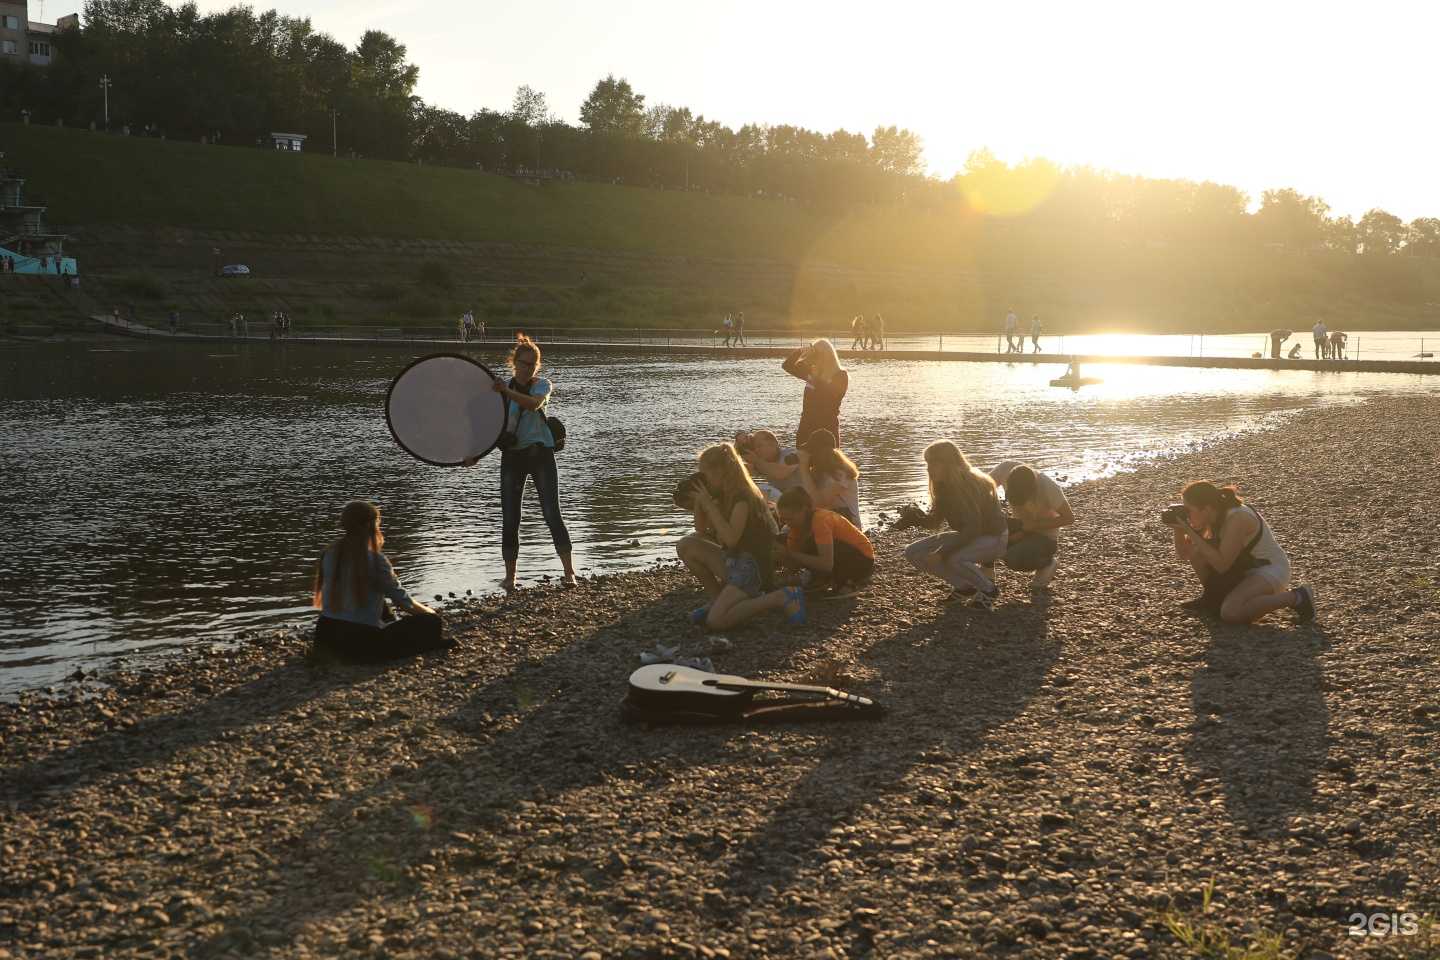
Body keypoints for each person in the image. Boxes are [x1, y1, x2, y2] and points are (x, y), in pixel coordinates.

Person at [470, 333, 576, 592]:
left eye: (533, 364)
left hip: (541, 454)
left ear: (537, 366)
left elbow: (533, 404)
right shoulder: (501, 391)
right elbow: (491, 429)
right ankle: (510, 577)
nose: (528, 368)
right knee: (510, 518)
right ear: (514, 362)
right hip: (513, 457)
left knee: (552, 514)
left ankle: (569, 572)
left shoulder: (542, 385)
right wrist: (474, 453)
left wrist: (505, 391)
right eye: (524, 363)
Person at [675, 443, 803, 629]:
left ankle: (780, 597)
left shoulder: (743, 497)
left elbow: (731, 539)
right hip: (735, 562)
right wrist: (699, 503)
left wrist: (709, 506)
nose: (706, 479)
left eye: (707, 474)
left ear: (721, 471)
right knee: (686, 545)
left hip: (753, 569)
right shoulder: (722, 494)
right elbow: (701, 531)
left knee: (716, 621)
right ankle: (717, 601)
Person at [311, 500, 450, 663]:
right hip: (359, 641)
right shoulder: (376, 560)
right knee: (432, 622)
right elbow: (405, 603)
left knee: (381, 603)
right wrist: (432, 614)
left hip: (325, 636)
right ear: (370, 525)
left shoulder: (329, 554)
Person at [1167, 481, 1314, 624]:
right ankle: (1212, 598)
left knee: (1231, 612)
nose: (1186, 514)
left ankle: (1297, 597)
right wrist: (1179, 530)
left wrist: (1189, 531)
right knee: (1197, 553)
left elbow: (1222, 565)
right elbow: (1185, 555)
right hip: (1241, 571)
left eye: (1188, 510)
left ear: (1206, 509)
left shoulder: (1237, 517)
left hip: (1268, 570)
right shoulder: (1211, 516)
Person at [903, 441, 1008, 608]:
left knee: (953, 558)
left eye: (933, 463)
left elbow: (974, 529)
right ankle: (964, 587)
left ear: (948, 463)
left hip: (993, 538)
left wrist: (943, 552)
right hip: (969, 535)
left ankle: (989, 590)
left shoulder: (969, 483)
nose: (929, 468)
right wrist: (914, 517)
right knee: (913, 552)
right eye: (927, 463)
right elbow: (935, 522)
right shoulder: (943, 485)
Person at [990, 461, 1073, 590]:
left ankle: (1047, 563)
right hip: (1020, 525)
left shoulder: (1049, 488)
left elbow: (1069, 518)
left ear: (1033, 490)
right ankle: (986, 575)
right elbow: (982, 488)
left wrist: (1033, 526)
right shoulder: (1005, 469)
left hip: (1044, 535)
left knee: (1012, 558)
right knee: (986, 530)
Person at [777, 487, 875, 593]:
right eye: (784, 519)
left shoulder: (820, 520)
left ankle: (846, 582)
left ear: (804, 510)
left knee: (811, 544)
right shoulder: (796, 527)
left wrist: (789, 554)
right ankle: (825, 579)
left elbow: (826, 564)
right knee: (804, 547)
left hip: (862, 560)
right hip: (842, 556)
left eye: (790, 518)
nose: (787, 523)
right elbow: (795, 564)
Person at [782, 338, 849, 449]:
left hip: (827, 429)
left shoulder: (840, 375)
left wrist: (815, 380)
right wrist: (801, 350)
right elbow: (787, 366)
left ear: (825, 356)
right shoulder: (811, 372)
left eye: (816, 355)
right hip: (806, 427)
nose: (813, 359)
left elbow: (832, 399)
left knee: (828, 463)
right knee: (803, 461)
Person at [795, 428, 861, 527]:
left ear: (819, 453)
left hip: (847, 524)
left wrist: (804, 469)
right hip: (831, 521)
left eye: (810, 452)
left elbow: (818, 503)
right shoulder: (819, 471)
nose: (808, 455)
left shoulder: (840, 474)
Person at [736, 429, 802, 497]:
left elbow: (780, 473)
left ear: (774, 444)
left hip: (804, 499)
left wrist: (756, 461)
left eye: (759, 446)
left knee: (763, 489)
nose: (756, 450)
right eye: (754, 447)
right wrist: (736, 453)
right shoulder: (763, 463)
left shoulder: (791, 454)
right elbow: (741, 470)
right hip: (787, 500)